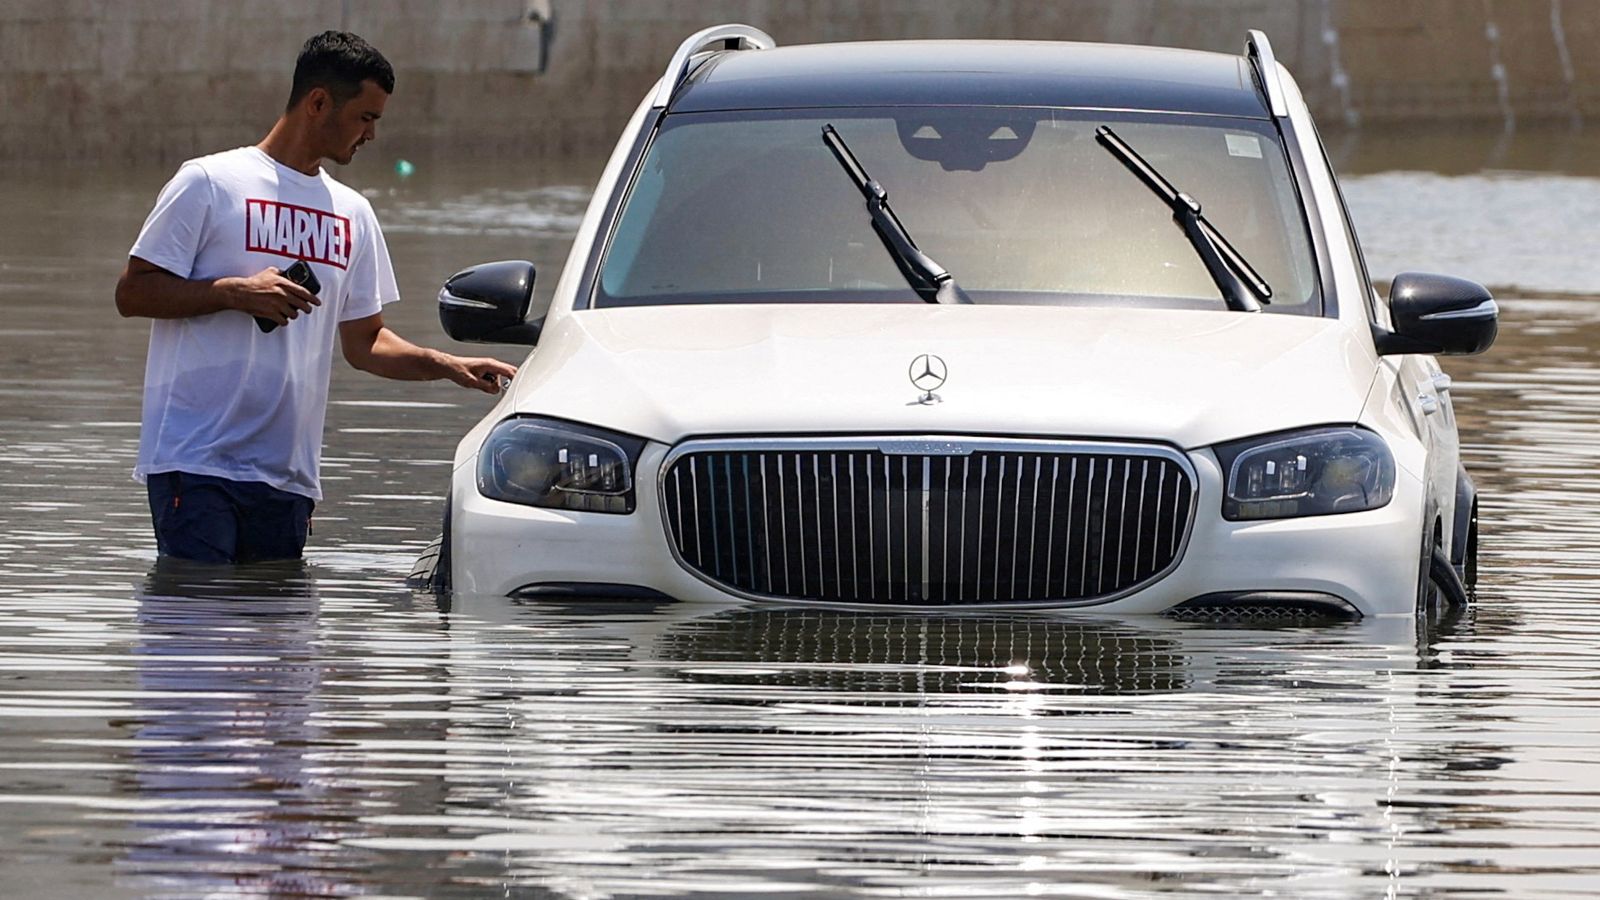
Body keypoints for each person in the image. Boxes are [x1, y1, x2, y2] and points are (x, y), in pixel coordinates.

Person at [114, 31, 517, 564]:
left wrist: (448, 366)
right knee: (200, 629)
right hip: (196, 461)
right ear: (318, 102)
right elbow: (132, 292)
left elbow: (365, 343)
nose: (372, 134)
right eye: (366, 117)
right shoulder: (210, 182)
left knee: (278, 636)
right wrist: (233, 293)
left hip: (287, 475)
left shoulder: (352, 213)